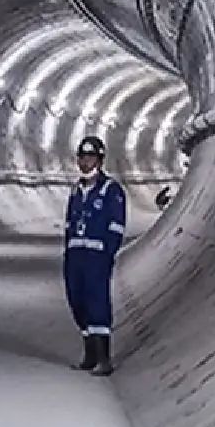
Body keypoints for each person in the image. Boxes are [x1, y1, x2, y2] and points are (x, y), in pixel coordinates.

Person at [63, 135, 126, 376]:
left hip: (97, 257)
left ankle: (103, 357)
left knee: (97, 302)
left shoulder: (111, 190)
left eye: (90, 157)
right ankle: (89, 354)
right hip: (76, 256)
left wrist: (107, 252)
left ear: (99, 160)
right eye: (82, 157)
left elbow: (117, 225)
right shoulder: (76, 190)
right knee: (77, 300)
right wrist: (68, 250)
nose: (85, 162)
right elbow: (70, 223)